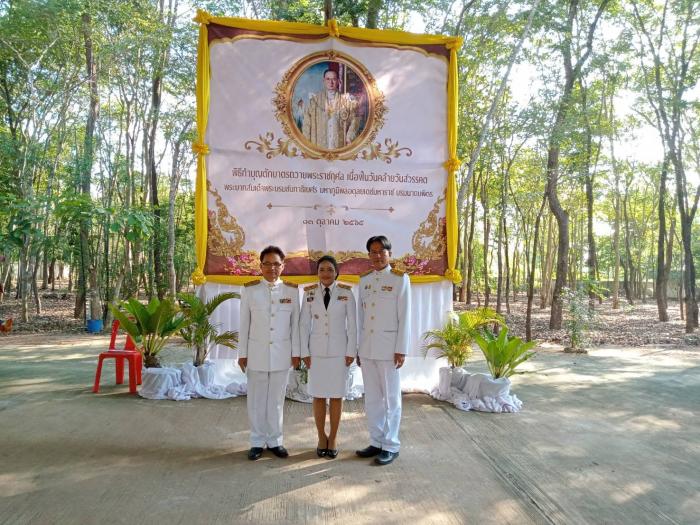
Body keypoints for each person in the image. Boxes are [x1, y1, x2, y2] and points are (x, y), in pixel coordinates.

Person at [238, 246, 301, 460]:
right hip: (256, 353)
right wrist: (242, 353)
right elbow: (244, 324)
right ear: (261, 266)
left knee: (276, 400)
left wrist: (296, 353)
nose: (272, 268)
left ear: (283, 266)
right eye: (268, 263)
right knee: (256, 399)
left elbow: (296, 326)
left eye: (276, 264)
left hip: (282, 354)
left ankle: (275, 441)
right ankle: (256, 441)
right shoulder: (249, 290)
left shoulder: (292, 291)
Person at [355, 235, 411, 466]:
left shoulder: (400, 279)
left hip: (389, 350)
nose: (377, 255)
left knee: (391, 399)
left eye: (381, 251)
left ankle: (391, 444)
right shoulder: (365, 280)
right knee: (373, 399)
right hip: (367, 349)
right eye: (373, 252)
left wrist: (401, 349)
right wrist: (358, 348)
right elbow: (360, 317)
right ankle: (376, 441)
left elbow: (405, 316)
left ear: (389, 253)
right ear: (368, 255)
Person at [300, 255, 357, 459]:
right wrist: (304, 352)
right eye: (322, 269)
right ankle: (320, 436)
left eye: (330, 269)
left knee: (335, 395)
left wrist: (351, 351)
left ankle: (332, 437)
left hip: (339, 353)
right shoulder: (309, 294)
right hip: (316, 353)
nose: (326, 273)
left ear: (336, 272)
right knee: (317, 395)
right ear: (317, 272)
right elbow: (303, 325)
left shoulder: (346, 293)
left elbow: (352, 325)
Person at [301, 68, 360, 149]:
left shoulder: (346, 101)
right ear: (324, 81)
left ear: (338, 81)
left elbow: (354, 120)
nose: (331, 82)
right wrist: (306, 142)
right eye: (328, 79)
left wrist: (349, 137)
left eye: (334, 79)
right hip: (319, 144)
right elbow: (306, 123)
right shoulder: (314, 100)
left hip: (339, 145)